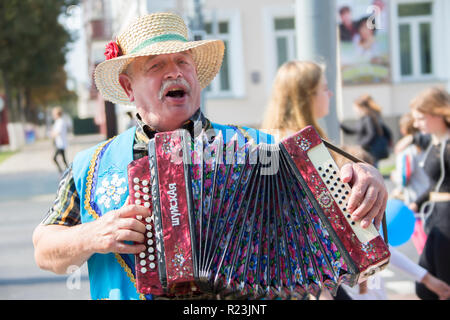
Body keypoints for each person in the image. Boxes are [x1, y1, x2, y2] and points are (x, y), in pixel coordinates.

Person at [33, 13, 388, 300]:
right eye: (156, 65)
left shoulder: (259, 147)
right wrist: (92, 235)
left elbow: (340, 213)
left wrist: (365, 180)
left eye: (182, 61)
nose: (174, 71)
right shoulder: (92, 165)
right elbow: (44, 248)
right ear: (128, 87)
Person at [262, 60, 388, 300]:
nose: (329, 94)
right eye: (324, 88)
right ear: (307, 95)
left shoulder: (273, 140)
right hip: (311, 282)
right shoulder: (298, 149)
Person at [408, 87, 450, 300]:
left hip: (447, 220)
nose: (416, 124)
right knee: (425, 288)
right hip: (435, 218)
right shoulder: (433, 142)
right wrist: (415, 204)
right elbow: (435, 185)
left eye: (421, 118)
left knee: (444, 285)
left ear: (437, 113)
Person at [340, 94, 392, 167]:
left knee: (370, 170)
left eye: (355, 107)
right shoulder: (363, 119)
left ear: (360, 107)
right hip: (365, 149)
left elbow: (371, 134)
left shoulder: (368, 118)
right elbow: (354, 130)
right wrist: (341, 126)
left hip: (369, 151)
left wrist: (361, 145)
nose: (354, 110)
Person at [50, 106, 69, 173]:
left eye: (54, 114)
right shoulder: (58, 121)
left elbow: (58, 132)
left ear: (57, 114)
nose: (53, 115)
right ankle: (67, 172)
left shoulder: (60, 121)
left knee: (54, 158)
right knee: (64, 160)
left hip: (61, 144)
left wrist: (52, 134)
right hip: (59, 143)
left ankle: (62, 172)